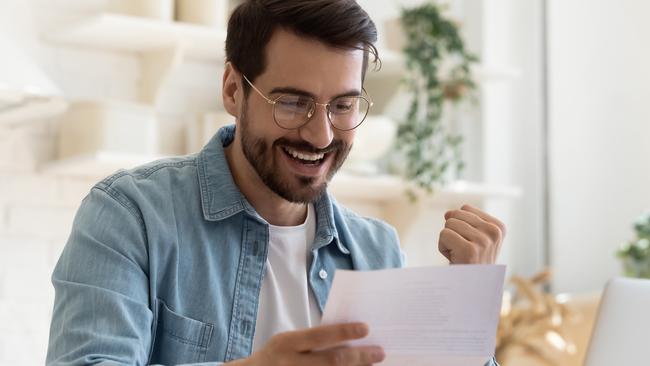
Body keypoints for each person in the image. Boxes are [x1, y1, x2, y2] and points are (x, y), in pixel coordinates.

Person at [46, 1, 505, 365]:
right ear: (232, 90)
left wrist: (467, 302)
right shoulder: (131, 216)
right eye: (292, 102)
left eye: (342, 106)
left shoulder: (375, 250)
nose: (321, 134)